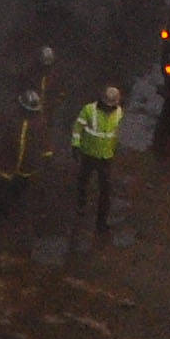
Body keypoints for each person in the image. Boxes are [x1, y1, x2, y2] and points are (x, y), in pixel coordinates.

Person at [67, 83, 126, 241]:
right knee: (83, 180)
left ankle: (101, 221)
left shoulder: (118, 112)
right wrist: (76, 145)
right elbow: (77, 128)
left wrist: (114, 149)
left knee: (105, 190)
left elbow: (116, 132)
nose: (109, 109)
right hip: (88, 154)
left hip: (105, 157)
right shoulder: (89, 110)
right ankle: (81, 202)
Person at [0, 74, 48, 222]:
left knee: (20, 187)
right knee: (3, 189)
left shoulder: (39, 123)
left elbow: (43, 140)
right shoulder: (13, 119)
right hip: (9, 160)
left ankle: (15, 207)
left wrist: (46, 153)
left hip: (27, 163)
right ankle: (0, 215)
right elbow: (0, 127)